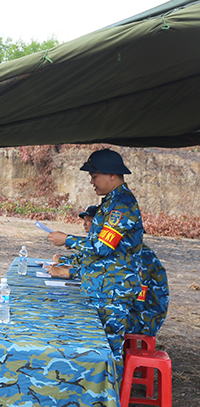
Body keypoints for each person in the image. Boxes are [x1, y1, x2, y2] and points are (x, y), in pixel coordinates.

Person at [48, 148, 143, 375]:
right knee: (96, 351)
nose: (92, 181)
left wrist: (67, 240)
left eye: (95, 176)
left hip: (113, 290)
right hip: (103, 286)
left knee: (108, 353)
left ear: (112, 174)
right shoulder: (111, 201)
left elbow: (102, 247)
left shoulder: (122, 204)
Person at [128, 243, 169, 337]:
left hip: (145, 318)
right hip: (132, 312)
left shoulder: (140, 254)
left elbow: (136, 303)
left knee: (103, 321)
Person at [46, 205, 98, 279]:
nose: (84, 224)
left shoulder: (99, 244)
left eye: (90, 220)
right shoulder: (92, 240)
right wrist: (66, 263)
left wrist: (65, 267)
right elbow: (82, 257)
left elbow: (96, 270)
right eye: (84, 220)